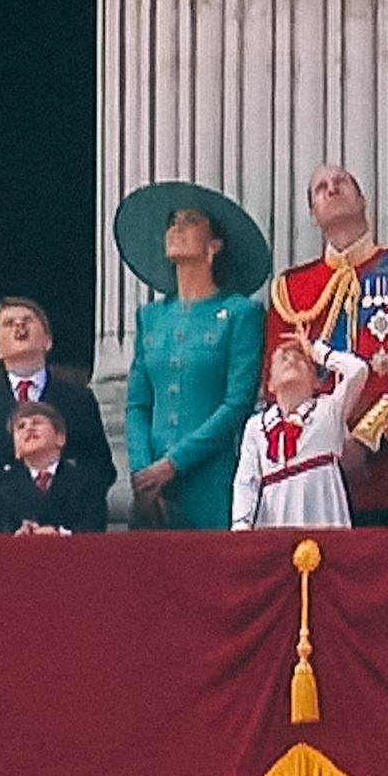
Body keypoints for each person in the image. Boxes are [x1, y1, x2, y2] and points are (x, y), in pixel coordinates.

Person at [264, 164, 388, 526]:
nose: (331, 189)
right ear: (314, 215)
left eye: (341, 182)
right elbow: (276, 380)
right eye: (320, 188)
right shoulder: (291, 288)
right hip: (308, 475)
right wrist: (317, 442)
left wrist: (363, 442)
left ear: (363, 202)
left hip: (385, 474)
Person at [115, 181, 268, 529]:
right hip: (151, 486)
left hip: (211, 477)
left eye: (189, 222)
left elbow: (237, 402)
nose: (176, 229)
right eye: (172, 222)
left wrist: (174, 463)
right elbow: (138, 403)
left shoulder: (241, 313)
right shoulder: (150, 317)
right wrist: (142, 471)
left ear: (214, 246)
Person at [0, 296, 116, 531]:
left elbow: (100, 467)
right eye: (9, 323)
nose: (19, 326)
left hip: (66, 534)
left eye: (27, 320)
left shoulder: (78, 399)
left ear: (48, 341)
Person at [232, 332, 370, 530]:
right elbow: (246, 481)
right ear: (270, 384)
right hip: (274, 519)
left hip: (322, 515)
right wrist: (241, 525)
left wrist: (317, 351)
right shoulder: (257, 426)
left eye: (301, 359)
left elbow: (358, 370)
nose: (292, 360)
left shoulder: (328, 410)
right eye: (283, 357)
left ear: (317, 383)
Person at [0, 402, 109, 535]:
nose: (29, 428)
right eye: (20, 426)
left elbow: (93, 529)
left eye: (37, 422)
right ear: (15, 447)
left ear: (60, 437)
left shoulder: (87, 481)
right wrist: (16, 535)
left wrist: (59, 534)